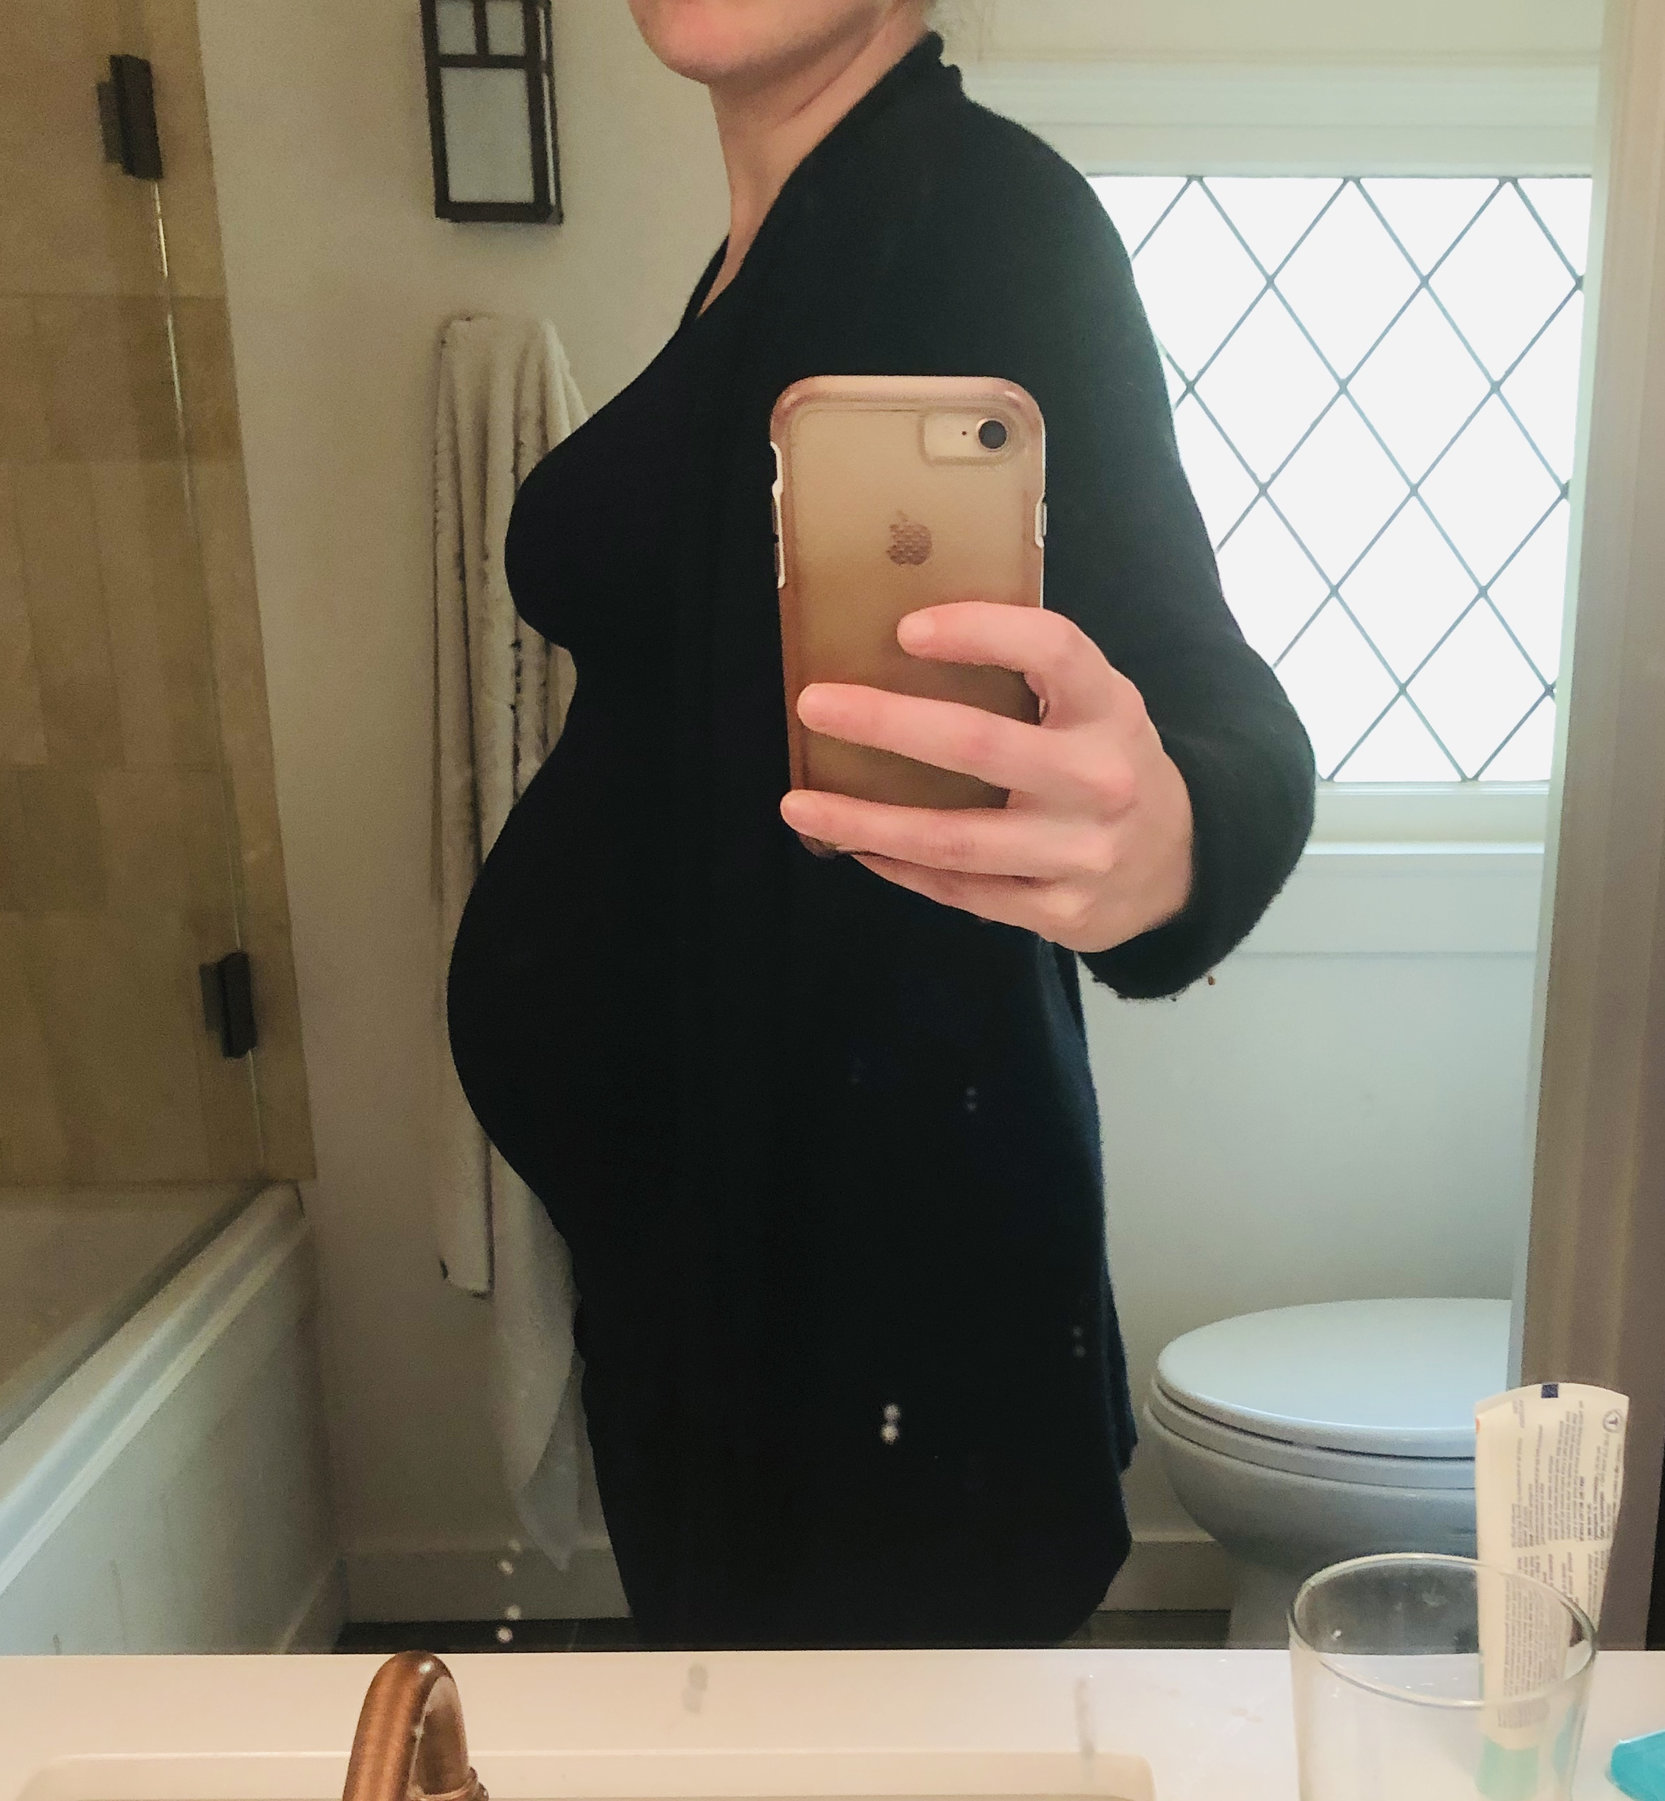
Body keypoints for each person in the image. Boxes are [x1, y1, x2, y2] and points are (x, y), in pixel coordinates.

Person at [446, 0, 1316, 1651]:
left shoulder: (975, 218)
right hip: (727, 1282)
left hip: (872, 1327)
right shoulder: (774, 251)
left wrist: (1171, 839)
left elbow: (1222, 710)